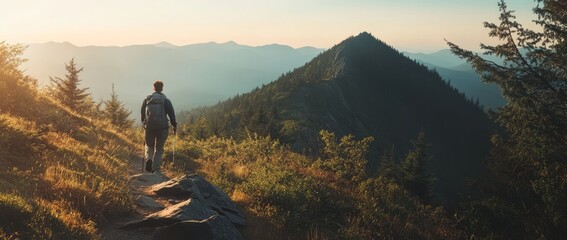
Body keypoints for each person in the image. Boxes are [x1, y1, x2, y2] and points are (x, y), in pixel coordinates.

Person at [141, 80, 177, 173]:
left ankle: (149, 159)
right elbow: (171, 114)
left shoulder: (147, 99)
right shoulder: (166, 100)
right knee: (159, 148)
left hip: (149, 127)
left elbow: (142, 113)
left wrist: (144, 122)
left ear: (153, 88)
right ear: (162, 88)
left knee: (149, 145)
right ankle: (156, 168)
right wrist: (174, 125)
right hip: (162, 128)